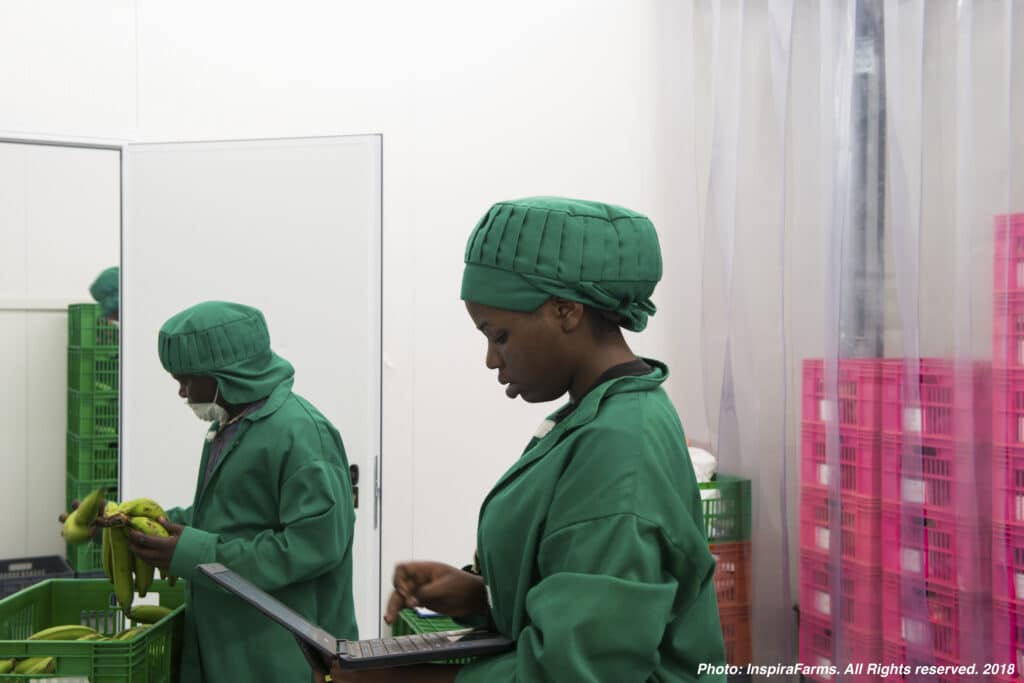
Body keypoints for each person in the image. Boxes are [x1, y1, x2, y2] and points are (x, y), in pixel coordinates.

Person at [318, 197, 726, 682]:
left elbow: (579, 671)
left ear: (566, 310)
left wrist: (398, 680)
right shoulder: (592, 417)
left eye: (500, 335)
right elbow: (577, 587)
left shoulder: (620, 446)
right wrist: (481, 594)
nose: (492, 359)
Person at [126, 300, 358, 683]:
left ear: (225, 374)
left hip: (287, 657)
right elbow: (226, 518)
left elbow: (313, 546)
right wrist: (140, 524)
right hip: (232, 647)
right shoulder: (231, 425)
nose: (183, 392)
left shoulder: (301, 435)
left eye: (187, 378)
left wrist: (198, 554)